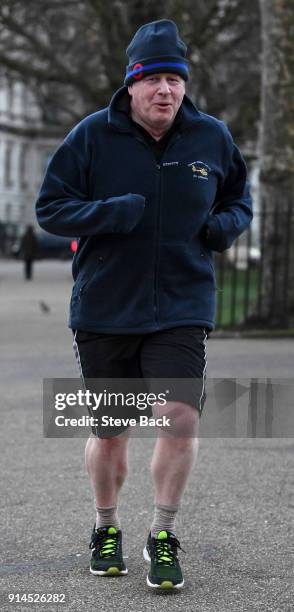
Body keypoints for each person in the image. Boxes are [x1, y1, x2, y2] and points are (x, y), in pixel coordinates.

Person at [35, 19, 253, 590]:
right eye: (153, 79)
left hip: (182, 303)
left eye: (174, 80)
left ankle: (163, 533)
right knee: (112, 429)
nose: (165, 90)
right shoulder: (91, 136)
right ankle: (106, 527)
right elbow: (51, 208)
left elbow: (238, 197)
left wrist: (224, 226)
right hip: (107, 305)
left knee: (179, 416)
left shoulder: (211, 136)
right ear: (131, 85)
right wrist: (109, 213)